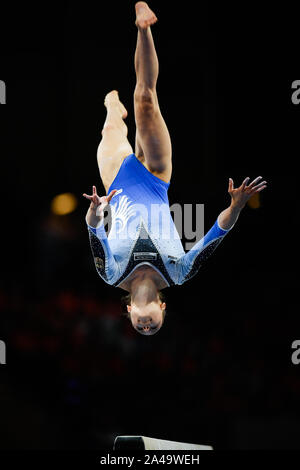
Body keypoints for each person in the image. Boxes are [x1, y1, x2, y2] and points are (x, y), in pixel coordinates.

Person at [83, 2, 267, 335]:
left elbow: (94, 231)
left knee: (110, 129)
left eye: (140, 328)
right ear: (162, 308)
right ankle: (143, 26)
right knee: (145, 98)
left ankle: (112, 107)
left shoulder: (110, 274)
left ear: (130, 310)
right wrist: (235, 206)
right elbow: (216, 234)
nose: (146, 326)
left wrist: (97, 210)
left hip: (115, 185)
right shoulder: (178, 272)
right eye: (153, 327)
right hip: (155, 176)